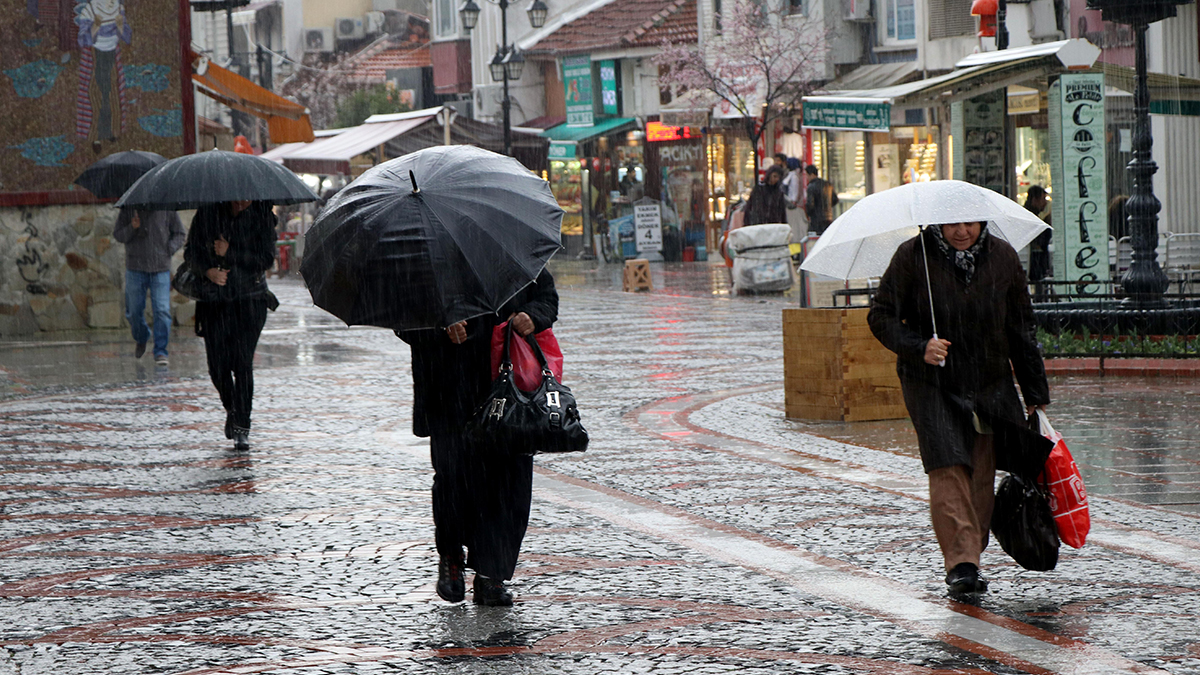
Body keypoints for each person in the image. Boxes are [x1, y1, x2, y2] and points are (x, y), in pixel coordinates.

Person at [867, 221, 1050, 595]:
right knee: (947, 464)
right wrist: (920, 346)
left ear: (982, 223)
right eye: (953, 224)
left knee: (981, 470)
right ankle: (962, 563)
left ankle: (971, 548)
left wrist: (1035, 390)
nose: (962, 231)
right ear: (939, 222)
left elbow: (1021, 327)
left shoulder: (1002, 257)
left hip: (988, 380)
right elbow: (881, 315)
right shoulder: (912, 254)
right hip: (931, 382)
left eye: (970, 223)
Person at [398, 268, 559, 607]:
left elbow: (547, 298)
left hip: (509, 388)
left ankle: (492, 575)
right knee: (454, 478)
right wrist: (440, 327)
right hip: (449, 390)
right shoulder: (426, 258)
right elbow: (404, 315)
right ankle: (452, 559)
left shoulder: (512, 250)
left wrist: (533, 315)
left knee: (510, 481)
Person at [183, 200, 277, 450]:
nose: (242, 201)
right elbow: (190, 254)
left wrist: (230, 252)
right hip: (215, 301)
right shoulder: (207, 213)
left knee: (243, 363)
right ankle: (232, 408)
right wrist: (208, 271)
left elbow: (266, 259)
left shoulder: (262, 215)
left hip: (250, 299)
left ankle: (242, 426)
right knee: (217, 366)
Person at [113, 208, 185, 366]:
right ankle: (142, 336)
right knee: (133, 311)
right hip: (135, 267)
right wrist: (132, 227)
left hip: (160, 268)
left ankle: (160, 351)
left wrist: (169, 249)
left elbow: (180, 233)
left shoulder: (166, 207)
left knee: (162, 310)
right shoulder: (129, 207)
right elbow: (118, 234)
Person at [1023, 186, 1052, 299]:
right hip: (1034, 259)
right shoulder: (1030, 216)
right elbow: (1039, 240)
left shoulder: (1032, 214)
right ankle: (1040, 298)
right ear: (1035, 200)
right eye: (1043, 199)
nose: (1045, 203)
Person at [803, 165, 839, 235]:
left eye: (807, 175)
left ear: (812, 175)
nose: (807, 178)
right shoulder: (827, 184)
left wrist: (808, 213)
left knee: (815, 238)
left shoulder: (811, 186)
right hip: (828, 217)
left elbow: (810, 204)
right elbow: (835, 199)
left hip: (816, 219)